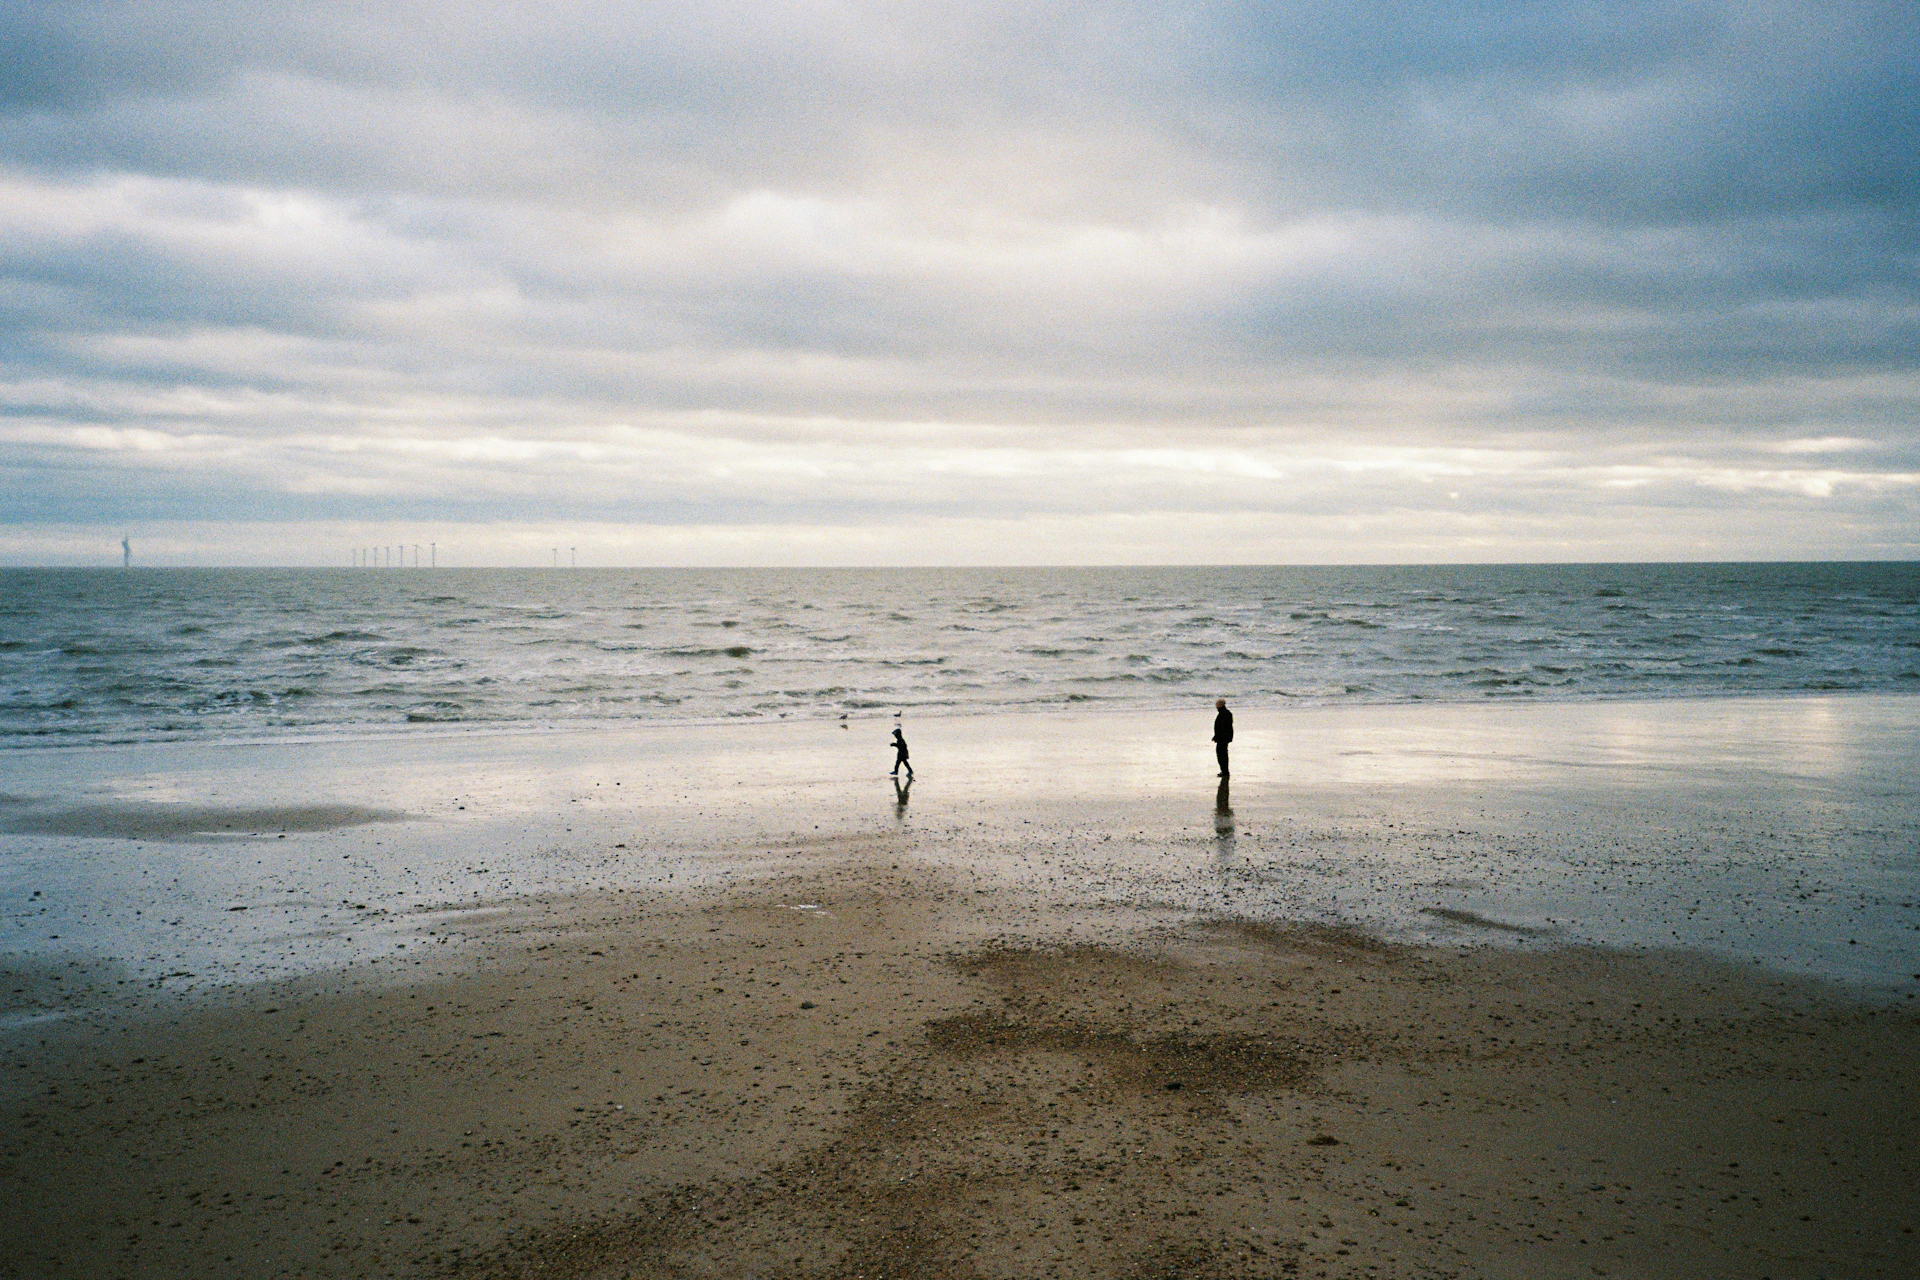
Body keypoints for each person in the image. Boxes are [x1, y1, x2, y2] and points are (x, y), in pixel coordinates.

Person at [1212, 698, 1233, 776]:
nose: (1216, 705)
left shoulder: (1223, 714)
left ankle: (1224, 771)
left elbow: (1222, 727)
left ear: (1220, 704)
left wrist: (1217, 736)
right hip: (1225, 737)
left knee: (1221, 754)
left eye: (1217, 704)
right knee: (1223, 754)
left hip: (1223, 738)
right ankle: (1224, 770)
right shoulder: (1226, 713)